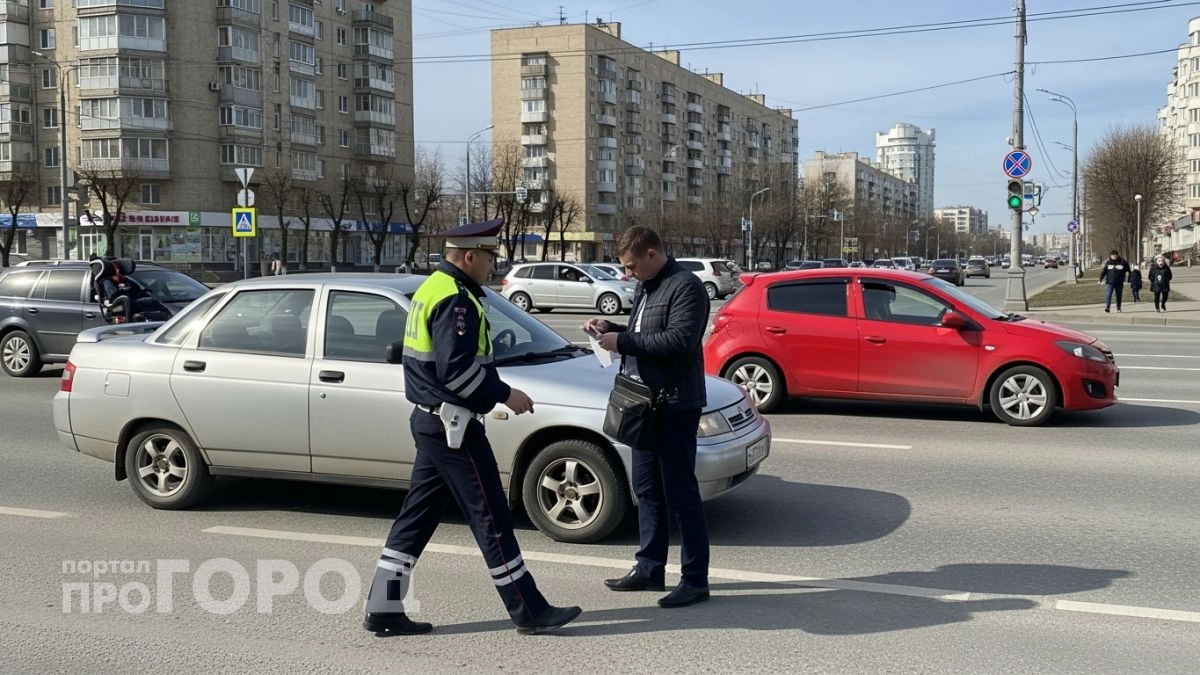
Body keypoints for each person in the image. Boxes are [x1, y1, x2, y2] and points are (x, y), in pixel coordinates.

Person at [363, 218, 581, 636]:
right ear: (469, 256)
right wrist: (504, 394)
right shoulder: (455, 300)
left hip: (432, 423)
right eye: (489, 256)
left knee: (416, 518)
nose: (493, 265)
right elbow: (457, 371)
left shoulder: (432, 288)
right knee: (492, 516)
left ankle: (383, 606)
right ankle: (529, 610)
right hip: (453, 425)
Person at [583, 225, 712, 609]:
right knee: (647, 491)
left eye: (631, 266)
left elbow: (678, 342)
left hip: (674, 405)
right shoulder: (646, 286)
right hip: (643, 404)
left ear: (652, 255)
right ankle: (650, 567)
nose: (627, 275)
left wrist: (621, 342)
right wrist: (611, 328)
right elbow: (643, 332)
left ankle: (695, 579)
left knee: (680, 494)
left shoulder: (685, 286)